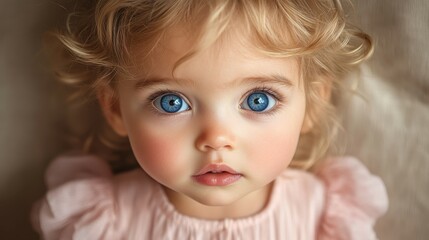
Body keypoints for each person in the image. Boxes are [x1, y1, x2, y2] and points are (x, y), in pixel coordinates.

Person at [31, 0, 388, 239]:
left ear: (310, 104)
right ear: (115, 109)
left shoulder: (326, 217)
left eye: (258, 100)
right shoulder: (101, 222)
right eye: (171, 102)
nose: (216, 138)